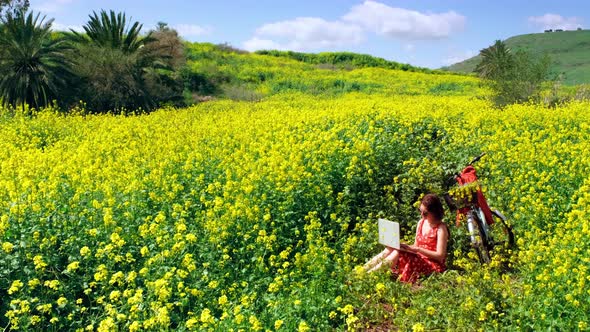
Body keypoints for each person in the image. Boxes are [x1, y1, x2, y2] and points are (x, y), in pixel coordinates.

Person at [363, 193, 449, 283]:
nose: (422, 215)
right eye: (420, 211)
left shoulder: (441, 228)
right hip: (419, 257)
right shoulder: (421, 222)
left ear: (434, 212)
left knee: (397, 252)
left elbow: (440, 256)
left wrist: (418, 249)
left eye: (425, 213)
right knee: (390, 248)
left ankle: (370, 276)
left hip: (432, 263)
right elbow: (416, 245)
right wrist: (406, 247)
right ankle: (362, 271)